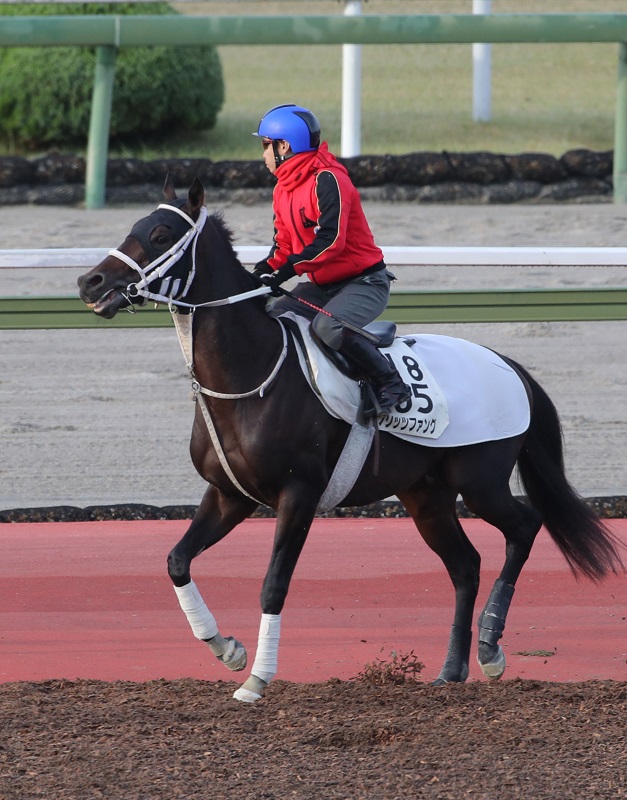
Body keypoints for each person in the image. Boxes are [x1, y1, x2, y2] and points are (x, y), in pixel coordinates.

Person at [252, 103, 411, 417]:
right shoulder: (282, 189)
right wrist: (261, 272)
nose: (263, 155)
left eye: (266, 145)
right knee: (271, 319)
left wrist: (283, 273)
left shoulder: (328, 180)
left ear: (284, 146)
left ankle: (390, 382)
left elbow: (331, 244)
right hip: (322, 287)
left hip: (365, 284)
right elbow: (282, 245)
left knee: (328, 326)